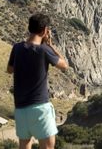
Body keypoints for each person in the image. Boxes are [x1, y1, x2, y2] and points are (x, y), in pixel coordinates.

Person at [7, 13, 69, 149]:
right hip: (40, 107)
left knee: (24, 145)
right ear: (45, 30)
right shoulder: (44, 50)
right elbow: (64, 66)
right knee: (47, 147)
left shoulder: (17, 48)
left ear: (30, 28)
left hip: (21, 109)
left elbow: (10, 70)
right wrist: (51, 45)